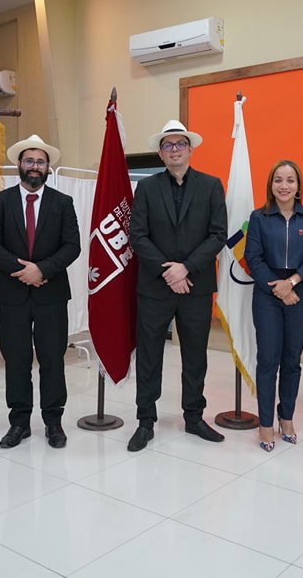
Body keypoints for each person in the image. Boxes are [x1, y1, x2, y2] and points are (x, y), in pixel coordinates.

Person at [127, 119, 228, 452]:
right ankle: (145, 420)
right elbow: (137, 236)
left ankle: (194, 417)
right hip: (155, 287)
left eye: (179, 144)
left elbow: (217, 234)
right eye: (168, 145)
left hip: (196, 287)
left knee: (195, 355)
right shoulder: (147, 188)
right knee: (150, 355)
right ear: (160, 152)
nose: (174, 150)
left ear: (190, 149)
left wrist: (186, 269)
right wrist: (168, 271)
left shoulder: (212, 186)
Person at [0, 134, 80, 449]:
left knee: (52, 358)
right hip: (13, 295)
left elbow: (72, 246)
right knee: (17, 359)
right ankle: (19, 423)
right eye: (29, 160)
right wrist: (23, 271)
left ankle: (53, 422)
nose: (34, 166)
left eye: (40, 161)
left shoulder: (63, 203)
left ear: (48, 167)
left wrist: (43, 270)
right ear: (19, 165)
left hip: (51, 294)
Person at [245, 160, 303, 452]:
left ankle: (286, 416)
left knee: (292, 359)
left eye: (290, 180)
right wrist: (279, 288)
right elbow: (253, 258)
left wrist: (291, 283)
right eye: (278, 180)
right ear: (271, 185)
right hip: (267, 292)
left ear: (299, 186)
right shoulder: (259, 217)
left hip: (299, 290)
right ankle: (265, 423)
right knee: (268, 359)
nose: (284, 185)